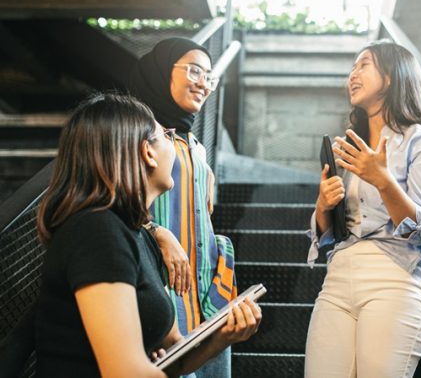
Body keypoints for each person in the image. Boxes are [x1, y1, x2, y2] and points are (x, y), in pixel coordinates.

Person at [34, 93, 261, 378]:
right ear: (148, 152)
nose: (172, 142)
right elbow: (125, 372)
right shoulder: (96, 232)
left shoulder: (135, 233)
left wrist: (224, 336)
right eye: (165, 135)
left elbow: (173, 357)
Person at [304, 40, 421, 378]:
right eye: (352, 68)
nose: (352, 75)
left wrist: (383, 180)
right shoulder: (351, 145)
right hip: (338, 278)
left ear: (390, 77)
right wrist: (323, 205)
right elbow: (328, 234)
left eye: (363, 65)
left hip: (395, 278)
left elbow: (420, 229)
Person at [128, 38, 236, 378]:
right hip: (160, 296)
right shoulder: (135, 134)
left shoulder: (196, 147)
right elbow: (112, 203)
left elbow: (202, 219)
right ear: (162, 72)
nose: (203, 83)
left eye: (209, 76)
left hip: (206, 299)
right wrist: (157, 232)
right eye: (194, 71)